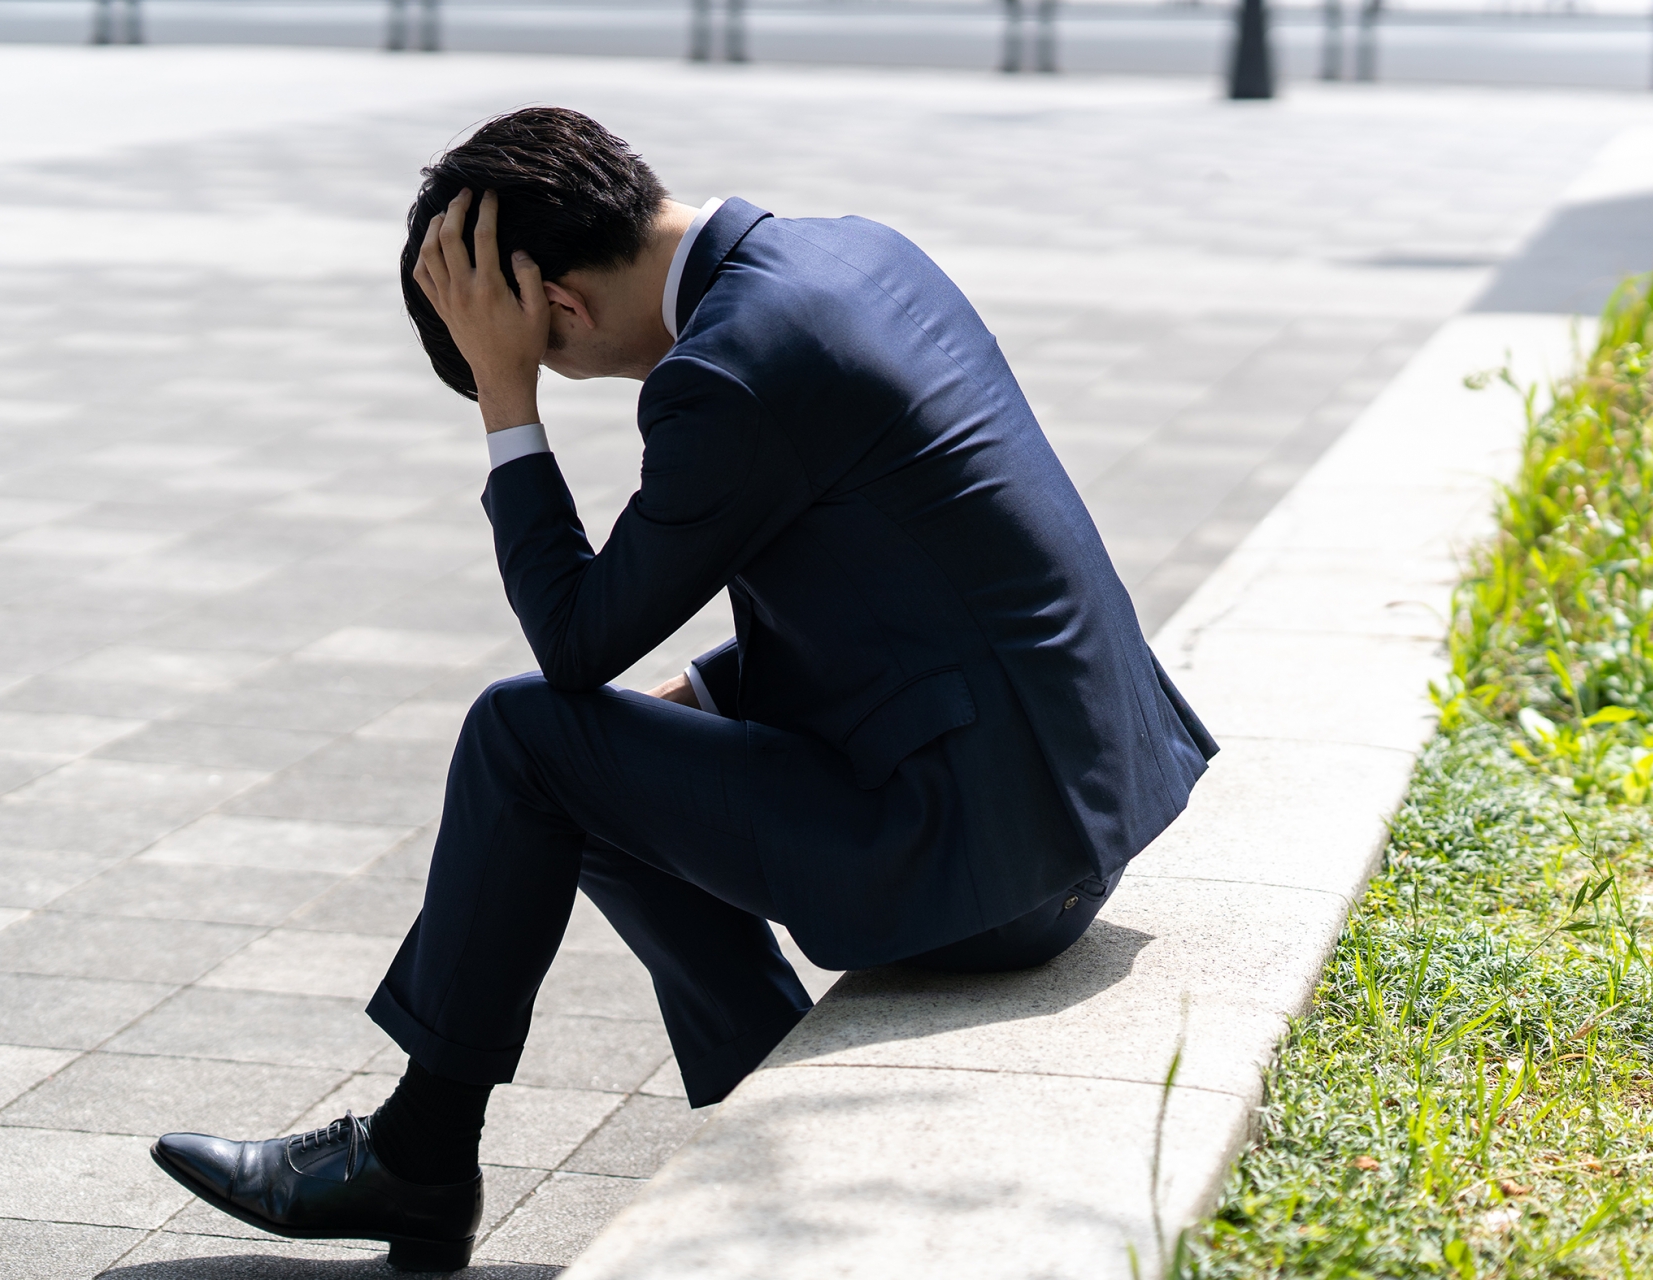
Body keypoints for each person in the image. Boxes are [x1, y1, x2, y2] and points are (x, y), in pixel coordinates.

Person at [148, 106, 1215, 1271]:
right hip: (1071, 809)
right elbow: (903, 586)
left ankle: (419, 1154)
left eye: (544, 350)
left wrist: (509, 403)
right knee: (591, 772)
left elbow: (573, 642)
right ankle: (748, 1105)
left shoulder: (729, 370)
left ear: (558, 306)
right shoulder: (854, 251)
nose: (556, 370)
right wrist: (702, 695)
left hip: (995, 874)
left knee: (524, 736)